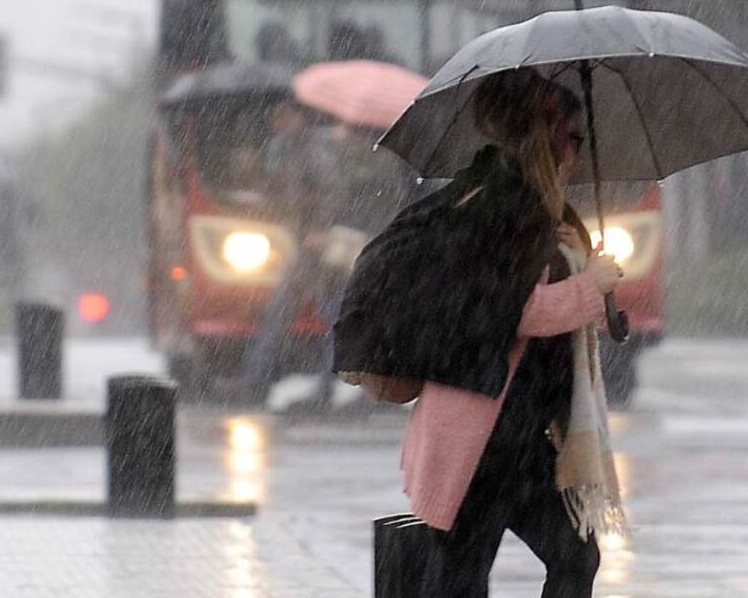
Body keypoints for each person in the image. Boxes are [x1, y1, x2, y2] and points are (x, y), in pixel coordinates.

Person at [334, 71, 625, 596]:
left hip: (516, 430)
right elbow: (522, 312)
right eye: (574, 138)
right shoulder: (506, 205)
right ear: (547, 137)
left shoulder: (515, 201)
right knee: (471, 575)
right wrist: (589, 283)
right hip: (484, 432)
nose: (578, 153)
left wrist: (583, 267)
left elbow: (534, 308)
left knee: (567, 556)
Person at [243, 101, 408, 406]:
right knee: (325, 312)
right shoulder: (293, 149)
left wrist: (321, 228)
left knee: (316, 311)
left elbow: (332, 191)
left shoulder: (316, 150)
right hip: (314, 244)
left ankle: (264, 379)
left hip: (321, 247)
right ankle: (283, 379)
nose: (278, 124)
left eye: (283, 118)